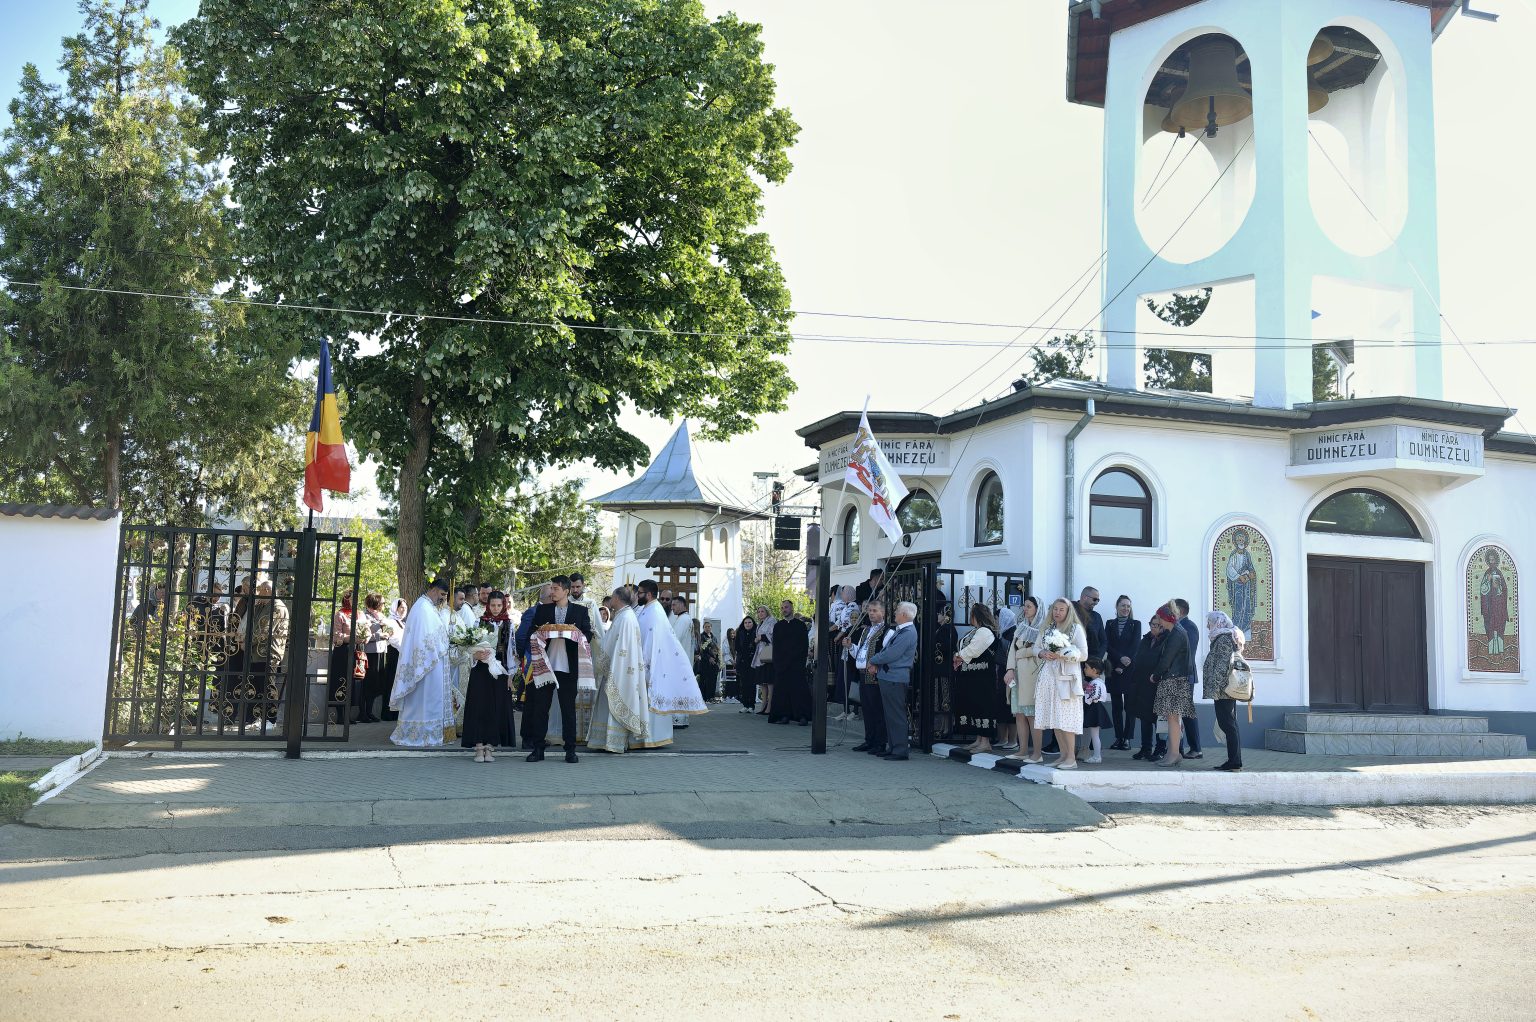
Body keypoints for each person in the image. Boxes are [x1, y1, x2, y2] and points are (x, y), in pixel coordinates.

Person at [587, 588, 669, 752]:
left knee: (613, 702)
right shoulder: (624, 615)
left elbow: (619, 648)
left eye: (612, 597)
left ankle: (614, 742)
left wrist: (601, 658)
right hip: (617, 668)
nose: (610, 601)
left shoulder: (625, 618)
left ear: (617, 599)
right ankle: (605, 741)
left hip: (619, 670)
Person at [524, 576, 595, 763]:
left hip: (568, 667)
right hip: (545, 666)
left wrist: (575, 635)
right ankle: (538, 749)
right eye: (551, 588)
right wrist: (542, 633)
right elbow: (532, 631)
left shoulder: (580, 611)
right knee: (541, 709)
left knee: (568, 710)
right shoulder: (543, 609)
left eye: (555, 588)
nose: (552, 592)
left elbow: (588, 634)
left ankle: (570, 750)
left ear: (566, 591)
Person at [389, 579, 455, 747]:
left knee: (431, 700)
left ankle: (430, 733)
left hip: (433, 663)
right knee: (425, 699)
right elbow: (425, 639)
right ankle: (420, 735)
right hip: (427, 664)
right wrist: (442, 645)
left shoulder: (428, 607)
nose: (443, 598)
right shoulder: (422, 608)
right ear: (433, 590)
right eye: (442, 594)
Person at [1026, 597, 1087, 769]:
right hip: (1048, 677)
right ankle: (1063, 755)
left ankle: (1071, 758)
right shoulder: (1047, 628)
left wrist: (1063, 654)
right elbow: (1036, 648)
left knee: (1065, 717)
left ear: (1068, 612)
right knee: (1055, 717)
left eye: (1061, 609)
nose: (1057, 612)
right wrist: (1043, 653)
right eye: (1055, 609)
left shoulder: (1075, 629)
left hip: (1065, 679)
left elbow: (1083, 654)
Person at [636, 579, 707, 722]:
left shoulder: (681, 619)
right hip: (672, 658)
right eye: (663, 599)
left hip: (674, 658)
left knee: (676, 689)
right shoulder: (665, 614)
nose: (666, 603)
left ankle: (679, 720)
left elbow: (674, 637)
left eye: (670, 601)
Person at [461, 590, 516, 762]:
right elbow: (470, 645)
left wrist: (510, 676)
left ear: (504, 605)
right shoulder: (479, 622)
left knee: (495, 708)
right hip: (481, 670)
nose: (496, 608)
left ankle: (490, 747)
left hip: (499, 671)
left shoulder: (509, 624)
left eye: (499, 605)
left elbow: (511, 650)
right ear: (488, 605)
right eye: (493, 605)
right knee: (479, 707)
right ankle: (479, 747)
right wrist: (475, 655)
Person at [867, 601, 919, 760]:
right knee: (890, 715)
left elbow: (892, 653)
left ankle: (900, 750)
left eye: (897, 610)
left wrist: (873, 660)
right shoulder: (902, 630)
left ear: (904, 614)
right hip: (889, 677)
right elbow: (888, 650)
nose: (894, 613)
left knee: (896, 715)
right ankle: (893, 746)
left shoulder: (908, 632)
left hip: (895, 678)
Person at [1148, 604, 1194, 767]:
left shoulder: (1177, 633)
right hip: (1175, 679)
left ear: (1165, 618)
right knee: (1172, 719)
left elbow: (1167, 659)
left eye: (1159, 617)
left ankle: (1174, 754)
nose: (1158, 620)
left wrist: (1156, 675)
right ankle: (1172, 753)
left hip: (1175, 680)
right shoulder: (1175, 632)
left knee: (1173, 719)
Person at [953, 605, 1001, 755]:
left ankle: (985, 742)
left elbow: (974, 649)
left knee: (983, 706)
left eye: (971, 614)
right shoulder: (976, 631)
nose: (970, 617)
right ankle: (979, 739)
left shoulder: (984, 631)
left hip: (982, 676)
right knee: (974, 706)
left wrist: (958, 656)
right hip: (973, 676)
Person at [1204, 611, 1246, 772]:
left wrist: (1216, 689)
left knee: (1228, 723)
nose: (1208, 625)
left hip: (1224, 689)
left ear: (1218, 622)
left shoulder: (1223, 639)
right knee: (1228, 723)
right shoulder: (1224, 637)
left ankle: (1235, 761)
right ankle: (1233, 760)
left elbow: (1222, 666)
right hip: (1224, 688)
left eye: (1209, 622)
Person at [1003, 596, 1043, 762]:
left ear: (1037, 609)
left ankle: (1037, 753)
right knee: (1019, 714)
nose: (1025, 609)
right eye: (1024, 606)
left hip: (1033, 675)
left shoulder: (1043, 629)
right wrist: (1010, 669)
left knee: (1032, 715)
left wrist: (1022, 653)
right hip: (1018, 675)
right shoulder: (1021, 627)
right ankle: (1022, 750)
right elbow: (1012, 651)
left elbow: (1039, 651)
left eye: (1029, 606)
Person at [848, 600, 889, 755]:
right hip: (862, 673)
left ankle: (880, 742)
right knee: (867, 709)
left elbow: (887, 653)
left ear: (883, 612)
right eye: (870, 610)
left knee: (877, 709)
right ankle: (869, 740)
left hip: (875, 674)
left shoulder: (887, 631)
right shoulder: (866, 630)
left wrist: (876, 664)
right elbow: (860, 652)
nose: (871, 613)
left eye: (875, 610)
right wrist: (850, 646)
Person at [1104, 595, 1141, 751]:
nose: (1126, 608)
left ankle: (1127, 739)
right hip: (1113, 669)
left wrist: (1123, 664)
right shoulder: (1109, 624)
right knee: (1116, 707)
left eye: (1128, 606)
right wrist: (1119, 660)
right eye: (1123, 605)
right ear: (1117, 606)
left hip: (1130, 670)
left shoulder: (1135, 624)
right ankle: (1118, 737)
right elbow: (1106, 644)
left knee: (1130, 707)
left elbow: (1135, 646)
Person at [770, 599, 811, 725]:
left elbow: (804, 645)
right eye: (782, 608)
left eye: (786, 607)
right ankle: (784, 715)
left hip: (796, 664)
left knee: (799, 690)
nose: (784, 610)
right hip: (782, 665)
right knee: (782, 691)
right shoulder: (778, 626)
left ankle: (802, 716)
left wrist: (799, 661)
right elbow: (776, 646)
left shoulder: (800, 625)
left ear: (792, 608)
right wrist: (778, 663)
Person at [1172, 598, 1203, 759]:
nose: (1171, 612)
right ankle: (1178, 748)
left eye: (1173, 609)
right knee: (1176, 712)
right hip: (1175, 675)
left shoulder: (1189, 627)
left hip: (1185, 675)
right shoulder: (1176, 626)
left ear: (1181, 611)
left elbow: (1187, 652)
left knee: (1187, 712)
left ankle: (1196, 748)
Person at [358, 593, 393, 723]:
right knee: (367, 683)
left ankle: (370, 711)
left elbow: (388, 630)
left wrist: (388, 633)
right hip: (370, 653)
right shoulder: (364, 616)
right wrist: (380, 635)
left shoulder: (382, 616)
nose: (384, 605)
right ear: (375, 603)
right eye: (382, 603)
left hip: (381, 651)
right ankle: (362, 713)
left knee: (376, 683)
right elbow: (363, 636)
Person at [1128, 628, 1161, 761]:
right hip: (1143, 684)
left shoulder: (1165, 640)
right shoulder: (1146, 640)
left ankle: (1160, 749)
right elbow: (1138, 658)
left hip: (1157, 684)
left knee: (1158, 720)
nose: (1154, 627)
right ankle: (1145, 748)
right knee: (1144, 718)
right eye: (1152, 624)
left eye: (1157, 625)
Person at [381, 597, 407, 722]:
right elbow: (391, 638)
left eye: (405, 608)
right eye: (401, 607)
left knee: (399, 683)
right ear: (395, 608)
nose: (403, 610)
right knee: (391, 683)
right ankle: (387, 712)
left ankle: (396, 712)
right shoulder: (389, 622)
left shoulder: (403, 623)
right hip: (394, 654)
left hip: (402, 655)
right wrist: (402, 647)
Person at [1080, 657, 1111, 763]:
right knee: (1094, 735)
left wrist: (1086, 696)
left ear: (1094, 670)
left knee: (1095, 735)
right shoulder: (1096, 682)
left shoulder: (1095, 683)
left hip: (1094, 709)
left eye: (1086, 667)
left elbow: (1094, 696)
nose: (1084, 669)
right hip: (1094, 708)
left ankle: (1097, 756)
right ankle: (1096, 755)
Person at [752, 605, 776, 715]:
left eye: (762, 611)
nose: (760, 613)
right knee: (762, 682)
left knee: (770, 682)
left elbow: (773, 635)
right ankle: (763, 704)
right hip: (760, 654)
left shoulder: (772, 621)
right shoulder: (760, 624)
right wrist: (757, 639)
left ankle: (770, 706)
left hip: (769, 654)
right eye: (759, 612)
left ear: (767, 612)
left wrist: (761, 637)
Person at [734, 615, 758, 713]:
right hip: (743, 661)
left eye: (749, 622)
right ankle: (745, 705)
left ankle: (751, 705)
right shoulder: (740, 633)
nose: (747, 624)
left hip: (753, 661)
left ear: (753, 623)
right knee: (743, 684)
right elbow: (737, 647)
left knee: (752, 683)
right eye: (745, 623)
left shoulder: (756, 632)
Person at [1076, 586, 1106, 660]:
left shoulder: (1097, 617)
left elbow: (1104, 641)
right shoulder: (1070, 612)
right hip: (1074, 660)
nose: (1096, 603)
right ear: (1084, 597)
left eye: (1098, 600)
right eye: (1094, 599)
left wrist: (1097, 659)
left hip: (1092, 662)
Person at [695, 621, 721, 701]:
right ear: (703, 628)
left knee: (713, 680)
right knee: (704, 681)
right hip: (705, 662)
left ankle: (711, 697)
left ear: (711, 627)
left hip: (714, 662)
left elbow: (717, 649)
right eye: (706, 627)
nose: (707, 628)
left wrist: (718, 661)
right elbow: (702, 649)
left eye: (709, 626)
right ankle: (703, 698)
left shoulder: (714, 637)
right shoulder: (701, 636)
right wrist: (709, 658)